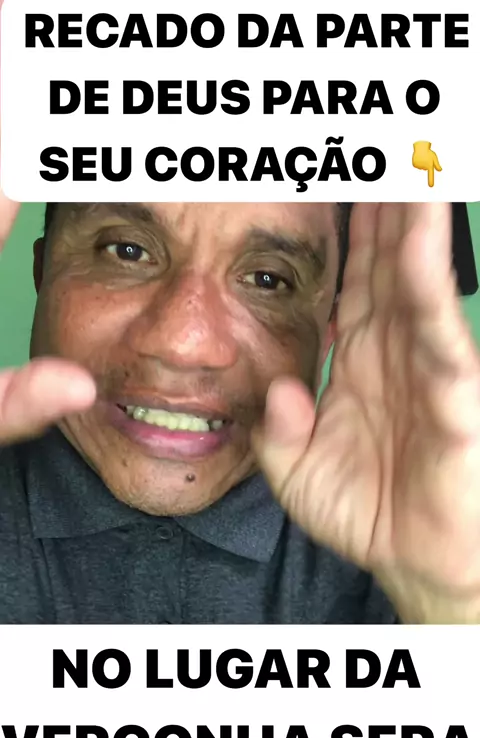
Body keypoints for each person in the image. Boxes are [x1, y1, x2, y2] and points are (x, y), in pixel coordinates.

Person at [1, 190, 480, 625]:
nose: (184, 344)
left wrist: (452, 609)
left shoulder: (421, 540)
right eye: (127, 251)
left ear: (331, 329)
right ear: (43, 272)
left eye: (267, 280)